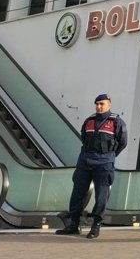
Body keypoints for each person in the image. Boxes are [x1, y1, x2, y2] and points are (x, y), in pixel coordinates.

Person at [55, 93, 128, 239]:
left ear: (109, 104)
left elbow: (122, 143)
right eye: (97, 104)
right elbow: (84, 138)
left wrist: (109, 156)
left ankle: (96, 225)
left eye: (102, 103)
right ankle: (73, 225)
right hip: (85, 161)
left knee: (101, 195)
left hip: (104, 163)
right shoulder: (89, 120)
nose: (99, 106)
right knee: (77, 193)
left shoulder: (117, 122)